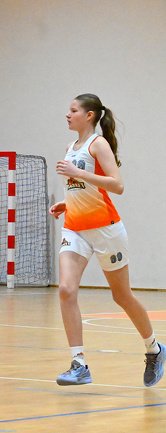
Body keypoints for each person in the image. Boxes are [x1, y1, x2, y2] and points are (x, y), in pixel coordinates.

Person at [49, 94, 164, 387]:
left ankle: (154, 349)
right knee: (66, 290)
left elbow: (117, 185)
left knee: (121, 296)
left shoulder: (98, 144)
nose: (67, 115)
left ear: (89, 115)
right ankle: (79, 365)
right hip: (75, 228)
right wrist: (66, 202)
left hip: (105, 230)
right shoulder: (70, 147)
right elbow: (79, 188)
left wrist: (78, 172)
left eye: (73, 110)